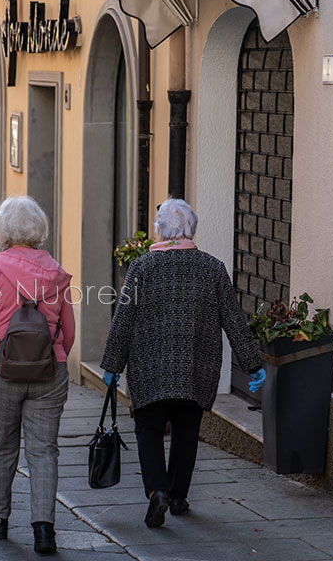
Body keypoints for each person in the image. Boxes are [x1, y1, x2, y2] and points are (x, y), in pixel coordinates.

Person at [101, 198, 266, 528]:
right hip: (196, 367)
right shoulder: (212, 267)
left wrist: (112, 366)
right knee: (186, 432)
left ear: (160, 230)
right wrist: (253, 364)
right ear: (191, 229)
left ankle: (157, 491)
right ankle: (177, 495)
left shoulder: (141, 268)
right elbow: (233, 319)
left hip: (149, 368)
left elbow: (124, 320)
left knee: (148, 430)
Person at [0, 195, 75, 554]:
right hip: (49, 371)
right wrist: (55, 358)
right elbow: (69, 329)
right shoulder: (56, 272)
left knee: (0, 448)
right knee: (44, 451)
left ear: (2, 229)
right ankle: (44, 529)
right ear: (38, 229)